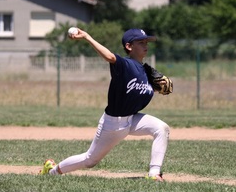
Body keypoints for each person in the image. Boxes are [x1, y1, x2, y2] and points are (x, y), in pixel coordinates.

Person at [39, 28, 170, 182]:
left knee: (161, 128)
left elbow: (136, 94)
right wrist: (87, 37)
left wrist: (156, 89)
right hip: (113, 124)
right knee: (89, 161)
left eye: (146, 42)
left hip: (132, 119)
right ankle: (52, 171)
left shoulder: (145, 71)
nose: (145, 45)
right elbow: (109, 56)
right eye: (141, 42)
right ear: (129, 46)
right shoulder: (124, 65)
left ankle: (154, 174)